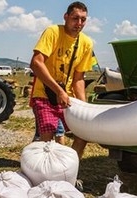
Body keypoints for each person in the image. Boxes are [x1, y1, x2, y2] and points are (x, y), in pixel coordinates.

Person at [29, 1, 93, 159]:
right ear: (66, 16)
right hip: (44, 94)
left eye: (83, 19)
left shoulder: (86, 43)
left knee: (83, 133)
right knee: (48, 137)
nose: (79, 23)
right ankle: (46, 171)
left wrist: (84, 106)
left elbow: (79, 78)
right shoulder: (53, 32)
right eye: (75, 18)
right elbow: (36, 63)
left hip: (67, 98)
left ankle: (69, 165)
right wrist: (59, 91)